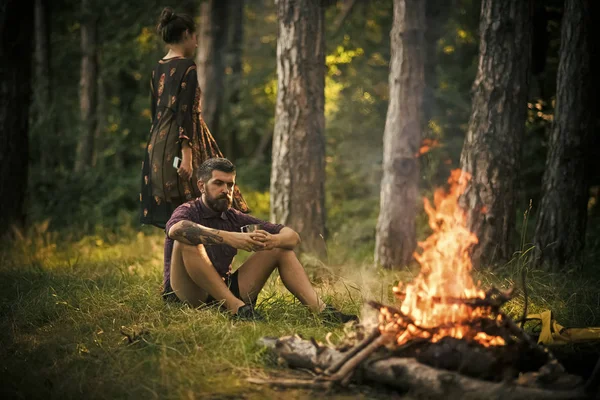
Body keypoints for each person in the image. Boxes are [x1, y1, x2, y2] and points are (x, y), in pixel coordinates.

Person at [163, 158, 358, 323]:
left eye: (230, 185)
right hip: (189, 295)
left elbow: (292, 237)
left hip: (222, 294)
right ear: (201, 186)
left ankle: (323, 313)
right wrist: (231, 238)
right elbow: (176, 229)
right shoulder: (188, 210)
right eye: (218, 183)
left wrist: (272, 240)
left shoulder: (233, 216)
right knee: (187, 238)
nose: (226, 190)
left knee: (280, 248)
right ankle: (237, 309)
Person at [140, 7, 248, 229]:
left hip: (157, 146)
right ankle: (198, 260)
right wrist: (186, 154)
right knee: (198, 201)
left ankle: (181, 260)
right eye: (195, 37)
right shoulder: (187, 67)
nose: (197, 43)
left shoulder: (157, 69)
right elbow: (185, 111)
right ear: (187, 34)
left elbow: (155, 113)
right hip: (181, 144)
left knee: (176, 210)